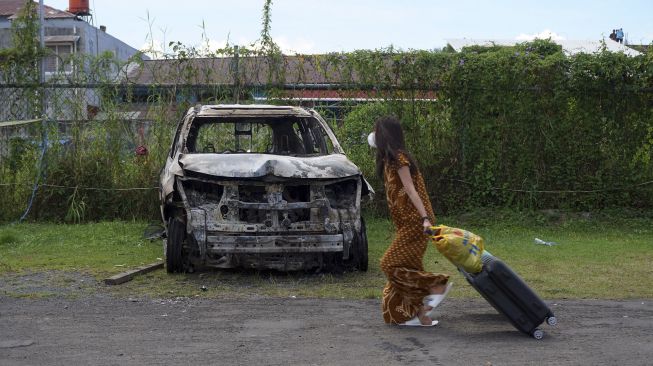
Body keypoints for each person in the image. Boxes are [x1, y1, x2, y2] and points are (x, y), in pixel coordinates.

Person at [369, 116, 452, 326]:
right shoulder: (388, 160)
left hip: (416, 221)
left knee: (388, 264)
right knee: (409, 270)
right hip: (406, 223)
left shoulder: (399, 159)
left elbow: (411, 190)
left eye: (377, 131)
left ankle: (436, 285)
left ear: (385, 135)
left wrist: (425, 219)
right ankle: (420, 316)